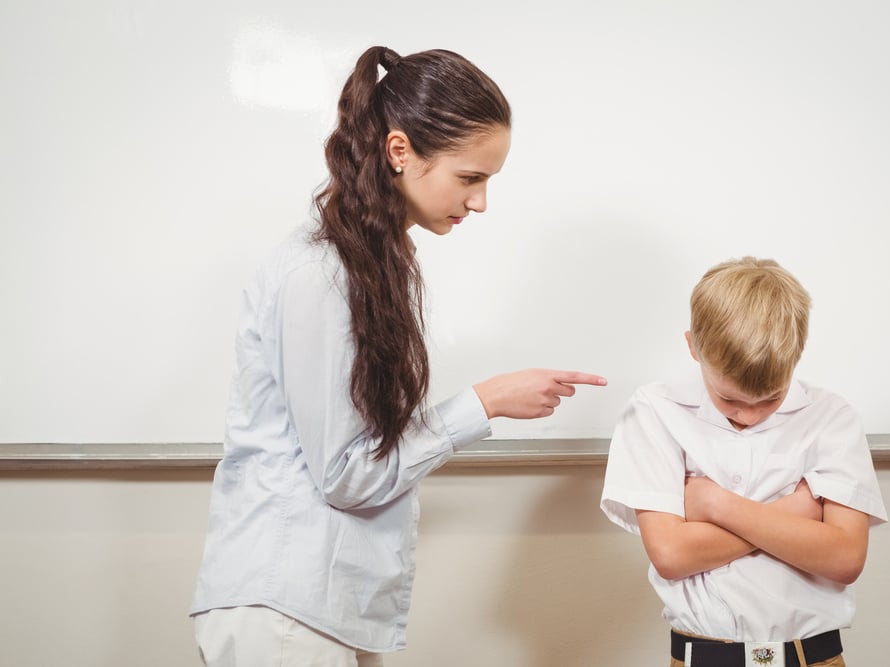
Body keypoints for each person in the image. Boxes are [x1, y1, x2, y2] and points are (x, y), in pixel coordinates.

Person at [190, 46, 606, 666]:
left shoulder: (370, 266)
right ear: (400, 151)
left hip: (320, 608)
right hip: (287, 608)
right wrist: (485, 403)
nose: (482, 202)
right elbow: (347, 476)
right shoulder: (321, 274)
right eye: (471, 178)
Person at [600, 257, 887, 667]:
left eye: (770, 399)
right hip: (701, 656)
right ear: (694, 347)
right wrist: (794, 513)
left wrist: (717, 504)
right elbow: (672, 556)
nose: (748, 416)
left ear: (798, 354)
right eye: (730, 399)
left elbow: (843, 559)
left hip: (814, 657)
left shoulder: (832, 417)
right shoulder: (654, 411)